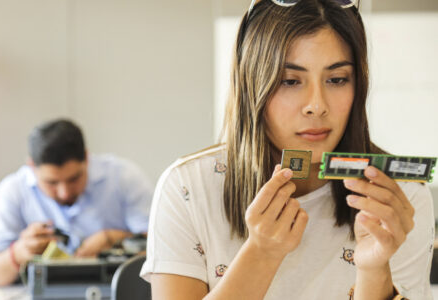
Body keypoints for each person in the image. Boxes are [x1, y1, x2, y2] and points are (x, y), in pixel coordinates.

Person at [140, 0, 434, 299]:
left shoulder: (399, 195)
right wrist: (262, 253)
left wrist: (374, 274)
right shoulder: (187, 188)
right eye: (290, 81)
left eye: (337, 79)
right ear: (252, 84)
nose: (316, 106)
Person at [0, 119, 153, 286]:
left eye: (74, 179)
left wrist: (114, 240)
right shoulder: (12, 192)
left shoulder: (124, 178)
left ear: (86, 157)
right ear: (31, 166)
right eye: (52, 183)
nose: (65, 192)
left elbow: (161, 253)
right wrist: (20, 253)